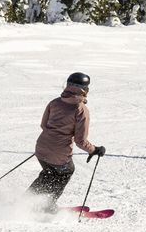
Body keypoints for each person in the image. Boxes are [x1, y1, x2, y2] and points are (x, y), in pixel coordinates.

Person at [29, 72, 102, 207]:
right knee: (66, 171)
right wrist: (94, 150)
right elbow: (80, 141)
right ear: (85, 90)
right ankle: (48, 205)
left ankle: (26, 200)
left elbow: (43, 125)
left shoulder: (54, 102)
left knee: (48, 174)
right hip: (59, 153)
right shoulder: (81, 109)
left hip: (41, 147)